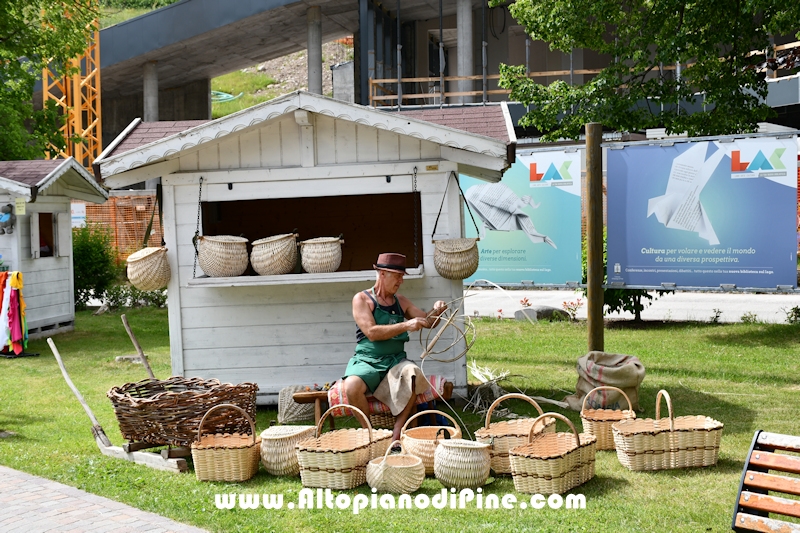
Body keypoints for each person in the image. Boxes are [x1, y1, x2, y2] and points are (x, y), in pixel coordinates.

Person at [342, 252, 447, 441]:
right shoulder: (362, 299)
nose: (401, 281)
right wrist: (406, 325)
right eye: (397, 276)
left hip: (395, 361)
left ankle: (396, 435)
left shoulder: (402, 301)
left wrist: (437, 310)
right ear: (382, 274)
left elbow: (427, 321)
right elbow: (372, 332)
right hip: (367, 360)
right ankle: (371, 436)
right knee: (351, 386)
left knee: (413, 374)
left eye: (402, 276)